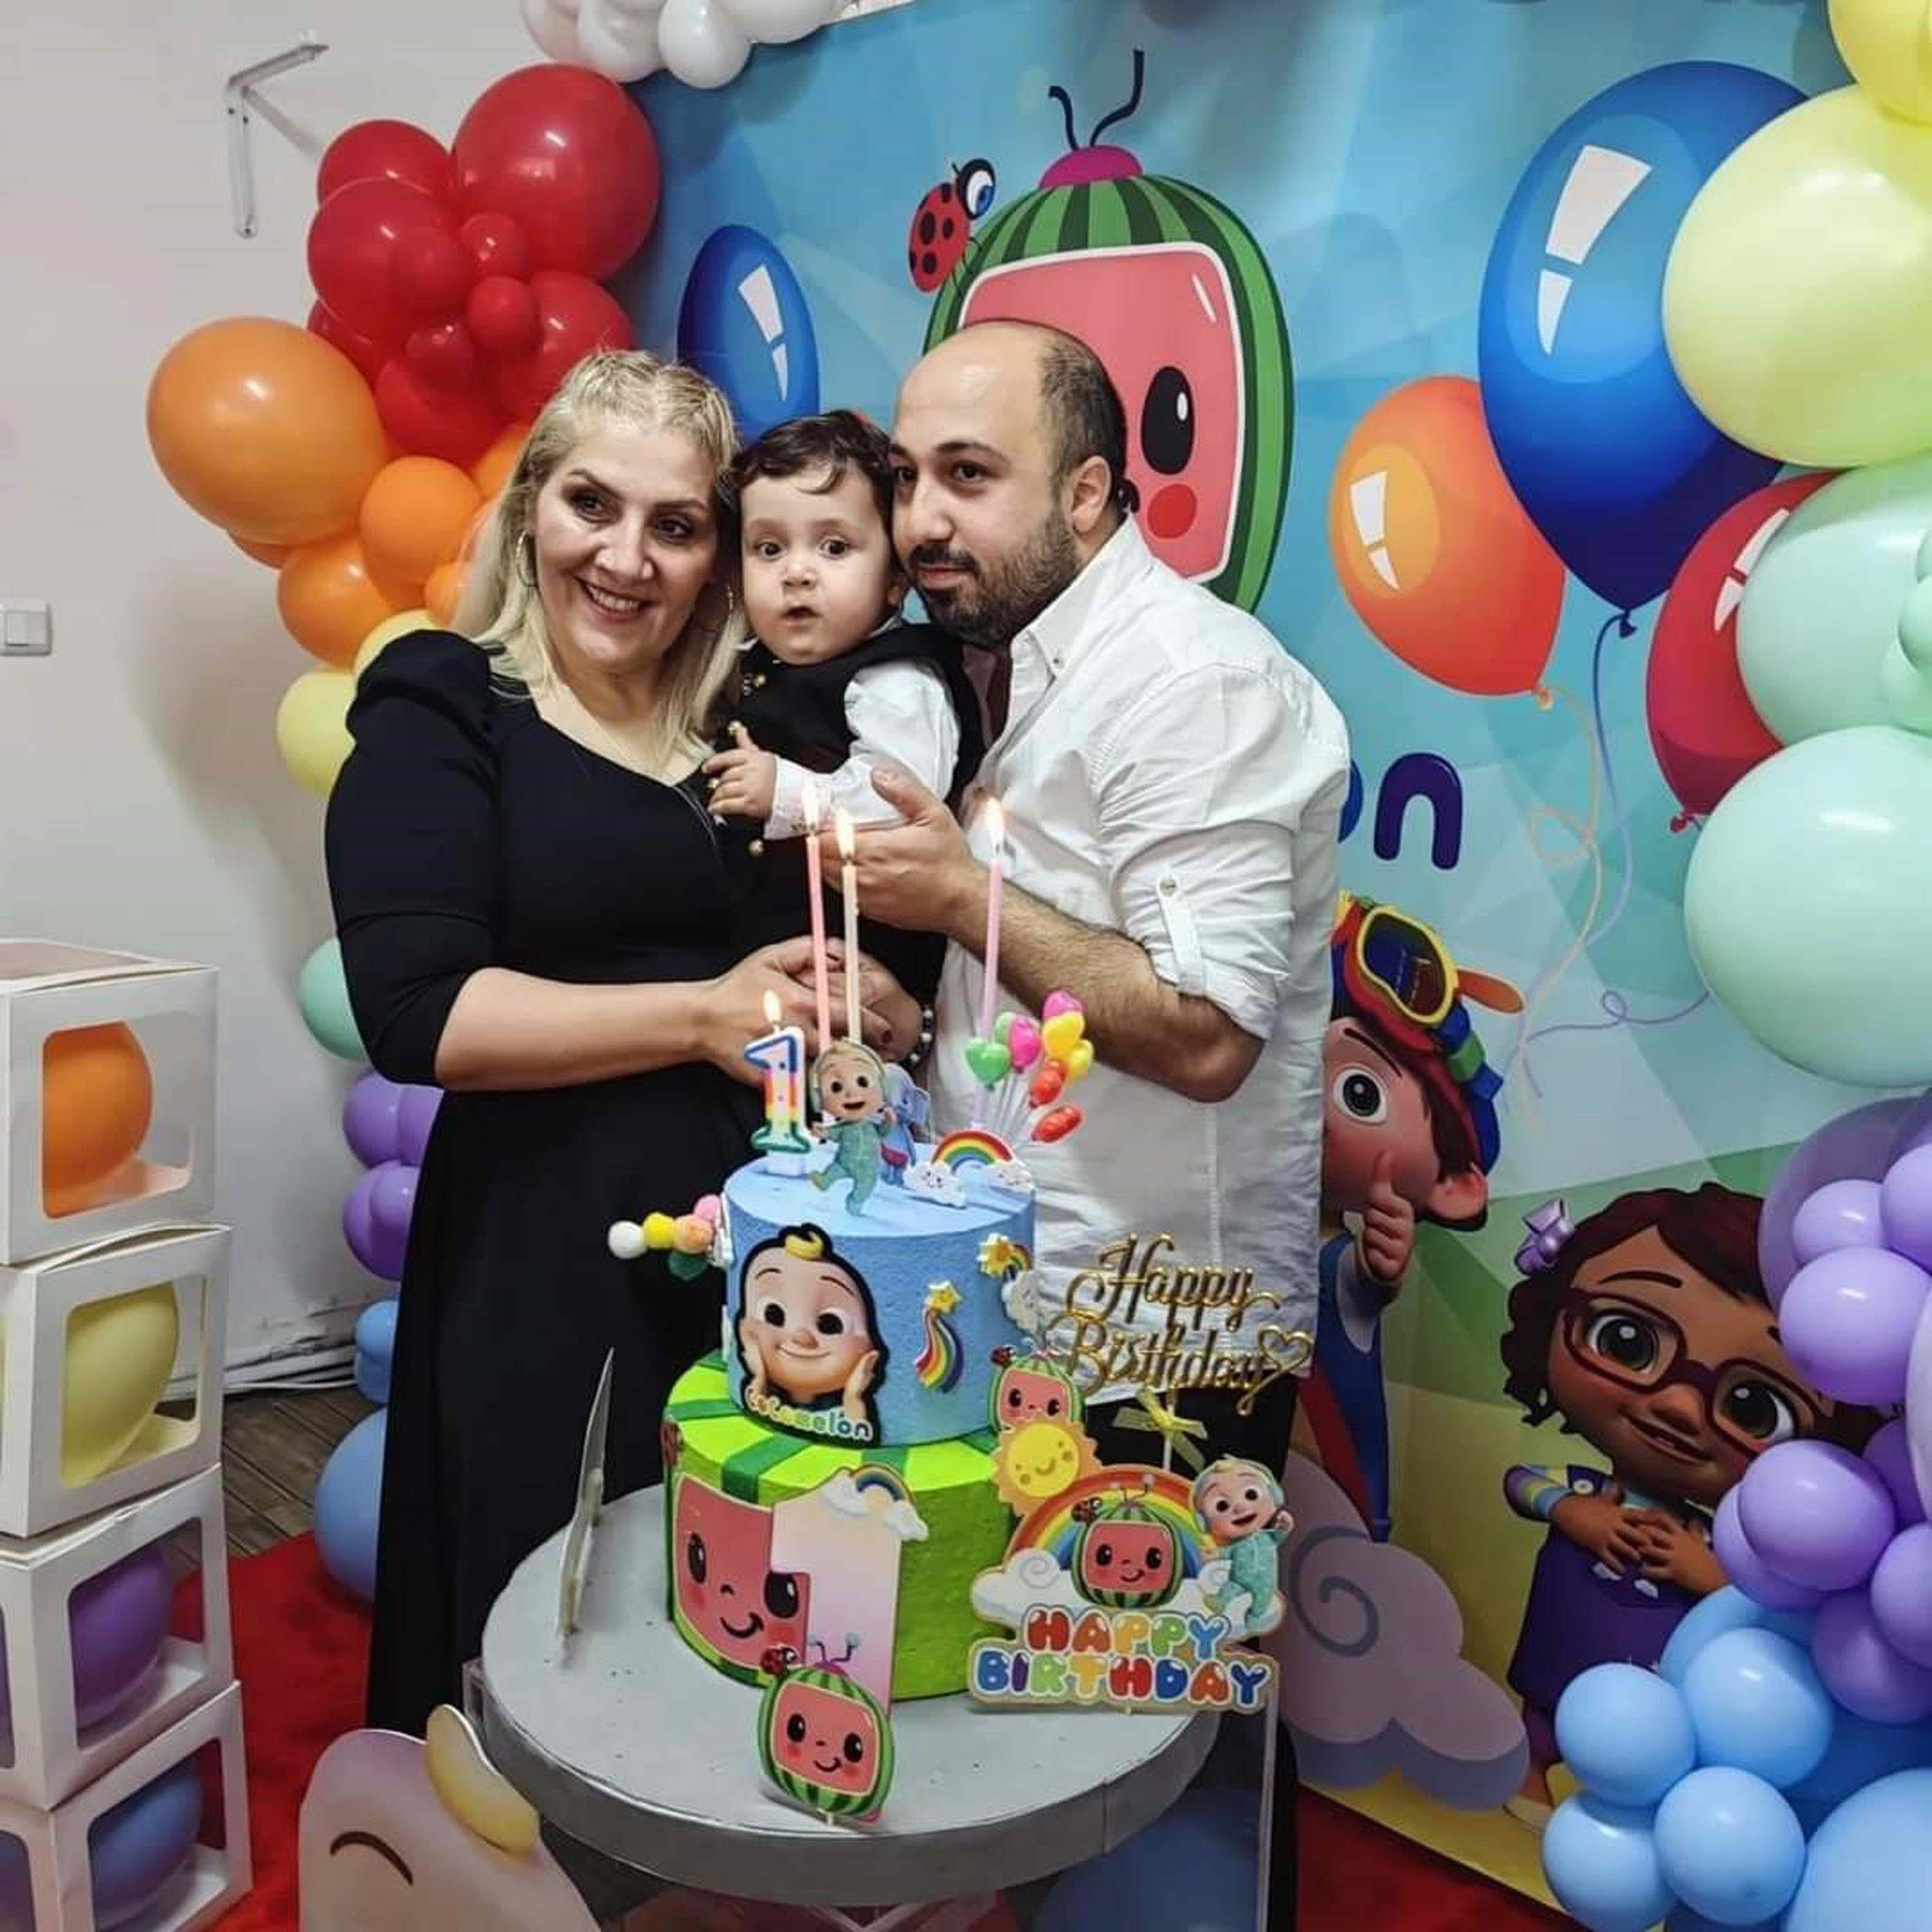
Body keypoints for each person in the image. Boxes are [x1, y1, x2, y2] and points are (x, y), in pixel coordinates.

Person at [829, 319, 1346, 1924]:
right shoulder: (1025, 664)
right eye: (908, 477)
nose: (922, 520)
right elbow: (1055, 968)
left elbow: (1203, 1030)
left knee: (1148, 1749)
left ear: (1089, 493)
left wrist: (959, 902)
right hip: (1039, 1304)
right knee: (1053, 1720)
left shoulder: (1190, 681)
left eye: (968, 476)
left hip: (1160, 1338)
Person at [324, 350, 916, 1737]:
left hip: (744, 1255)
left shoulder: (739, 740)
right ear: (532, 505)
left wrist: (870, 1003)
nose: (626, 557)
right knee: (549, 1615)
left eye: (677, 525)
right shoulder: (448, 698)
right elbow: (420, 1014)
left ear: (716, 557)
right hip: (543, 1242)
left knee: (718, 1618)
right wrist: (705, 1017)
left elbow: (802, 954)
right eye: (592, 503)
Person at [1497, 1183, 1862, 1826]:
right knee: (1547, 1705)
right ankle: (1530, 1772)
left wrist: (1707, 1572)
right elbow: (1522, 1482)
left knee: (1652, 1737)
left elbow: (1760, 1599)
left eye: (1754, 1408)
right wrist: (1574, 1512)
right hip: (1568, 1631)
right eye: (1628, 1342)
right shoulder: (1591, 1491)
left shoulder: (1721, 1539)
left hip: (1661, 1672)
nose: (1679, 1407)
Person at [701, 411, 985, 1007]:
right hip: (756, 963)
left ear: (895, 579)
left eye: (834, 547)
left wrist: (785, 791)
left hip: (860, 976)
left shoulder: (896, 680)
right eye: (769, 548)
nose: (797, 574)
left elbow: (899, 802)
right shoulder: (753, 663)